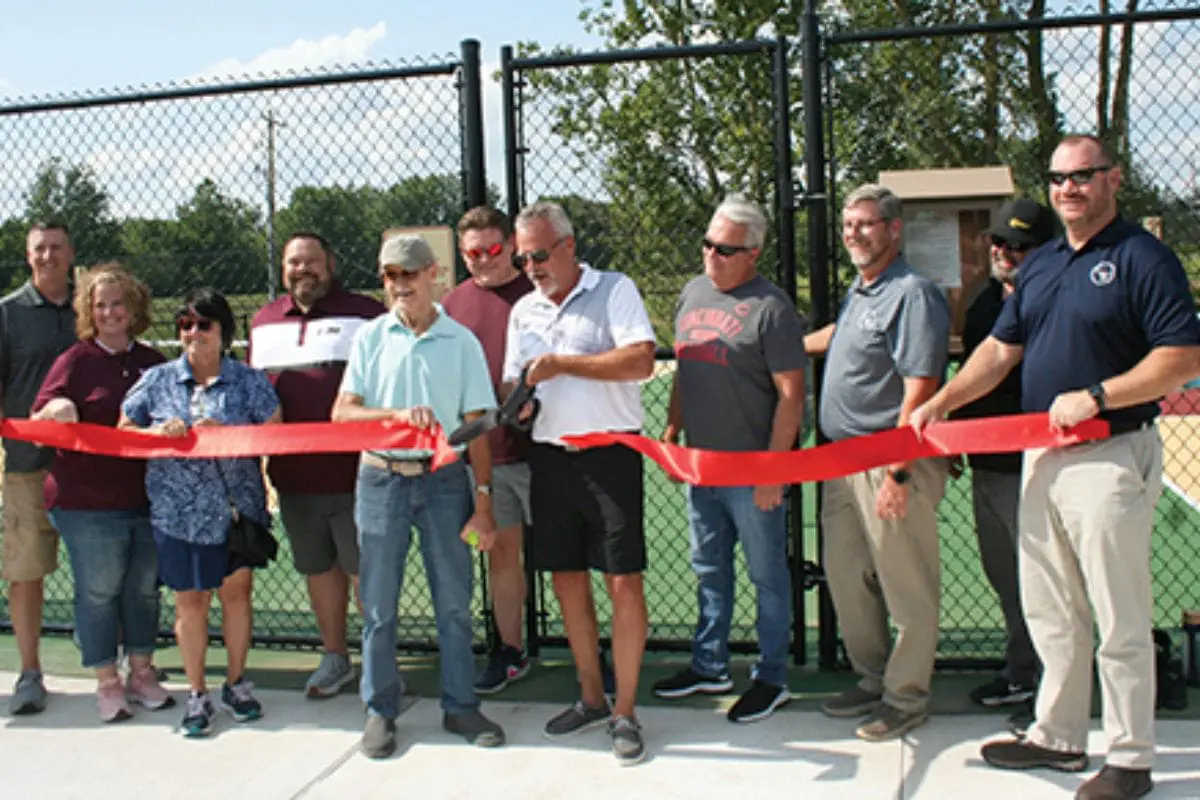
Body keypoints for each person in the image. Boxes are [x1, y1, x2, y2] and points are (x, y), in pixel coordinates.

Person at [911, 134, 1200, 800]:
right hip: (1040, 455)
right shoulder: (1039, 266)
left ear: (1113, 180)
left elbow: (1181, 357)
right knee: (1050, 608)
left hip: (1110, 453)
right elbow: (1000, 350)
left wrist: (1098, 395)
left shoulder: (1143, 258)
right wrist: (943, 402)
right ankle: (1058, 736)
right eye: (1059, 178)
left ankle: (1130, 757)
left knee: (1117, 614)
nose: (1069, 188)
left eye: (1083, 176)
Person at [332, 234, 505, 760]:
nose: (400, 284)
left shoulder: (462, 342)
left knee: (454, 602)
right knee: (379, 606)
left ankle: (460, 705)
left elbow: (477, 426)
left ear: (434, 274)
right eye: (390, 275)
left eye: (409, 274)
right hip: (380, 479)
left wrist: (482, 498)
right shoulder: (370, 338)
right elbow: (343, 413)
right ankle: (380, 710)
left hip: (444, 481)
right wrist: (395, 417)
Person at [503, 201, 656, 765]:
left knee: (623, 583)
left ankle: (626, 711)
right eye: (523, 258)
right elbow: (512, 382)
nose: (532, 267)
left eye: (540, 254)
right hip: (549, 460)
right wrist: (517, 407)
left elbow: (641, 360)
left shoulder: (615, 289)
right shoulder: (523, 311)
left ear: (569, 245)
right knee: (568, 581)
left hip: (611, 456)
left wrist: (565, 363)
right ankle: (592, 698)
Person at [804, 184, 951, 742]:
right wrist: (780, 345)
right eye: (847, 225)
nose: (854, 234)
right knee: (846, 578)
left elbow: (920, 388)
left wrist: (898, 471)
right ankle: (872, 679)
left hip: (888, 463)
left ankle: (907, 696)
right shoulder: (863, 291)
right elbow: (841, 338)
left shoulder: (913, 294)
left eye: (865, 224)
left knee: (906, 584)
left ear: (893, 229)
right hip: (841, 464)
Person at [653, 196, 807, 723]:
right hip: (703, 466)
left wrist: (773, 468)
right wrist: (673, 428)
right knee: (708, 567)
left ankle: (771, 676)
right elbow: (684, 367)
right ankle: (710, 664)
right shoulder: (692, 293)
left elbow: (792, 394)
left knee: (766, 575)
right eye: (707, 244)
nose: (712, 256)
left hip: (752, 471)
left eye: (725, 249)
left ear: (753, 254)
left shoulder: (772, 307)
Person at [119, 287, 281, 738]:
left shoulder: (248, 381)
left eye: (204, 324)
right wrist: (157, 432)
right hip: (177, 513)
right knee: (190, 602)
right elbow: (124, 427)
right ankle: (196, 692)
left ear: (223, 331)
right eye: (186, 324)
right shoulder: (157, 379)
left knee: (236, 596)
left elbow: (275, 430)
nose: (194, 333)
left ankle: (235, 682)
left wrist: (230, 432)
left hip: (234, 512)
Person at [31, 264, 172, 722]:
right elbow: (42, 414)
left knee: (144, 591)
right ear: (89, 312)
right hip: (87, 501)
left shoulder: (154, 363)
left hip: (149, 498)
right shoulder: (75, 360)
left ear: (134, 308)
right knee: (99, 591)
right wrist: (58, 407)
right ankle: (107, 681)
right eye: (100, 305)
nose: (110, 312)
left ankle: (143, 671)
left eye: (118, 303)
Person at [250, 231, 385, 698]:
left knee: (365, 572)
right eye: (293, 263)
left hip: (360, 475)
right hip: (294, 477)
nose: (302, 270)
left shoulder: (368, 314)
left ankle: (378, 663)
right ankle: (335, 658)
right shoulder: (264, 321)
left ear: (330, 263)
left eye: (311, 261)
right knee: (317, 569)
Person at [954, 199, 1055, 731]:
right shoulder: (985, 300)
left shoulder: (1054, 298)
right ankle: (1022, 671)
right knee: (1006, 576)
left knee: (1045, 580)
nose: (1004, 252)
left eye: (1017, 245)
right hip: (987, 462)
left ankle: (1053, 686)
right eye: (998, 243)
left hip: (1037, 464)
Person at [442, 206, 536, 695]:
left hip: (550, 451)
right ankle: (510, 651)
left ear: (512, 247)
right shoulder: (451, 305)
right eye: (472, 253)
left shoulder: (540, 292)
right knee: (503, 558)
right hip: (488, 458)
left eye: (492, 249)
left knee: (570, 560)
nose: (482, 260)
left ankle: (589, 651)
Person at [0, 221, 78, 714]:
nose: (47, 256)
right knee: (26, 570)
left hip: (91, 465)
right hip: (28, 466)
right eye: (39, 250)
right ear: (28, 257)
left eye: (56, 247)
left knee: (106, 568)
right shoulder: (7, 315)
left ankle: (121, 666)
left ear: (71, 253)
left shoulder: (90, 308)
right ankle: (30, 672)